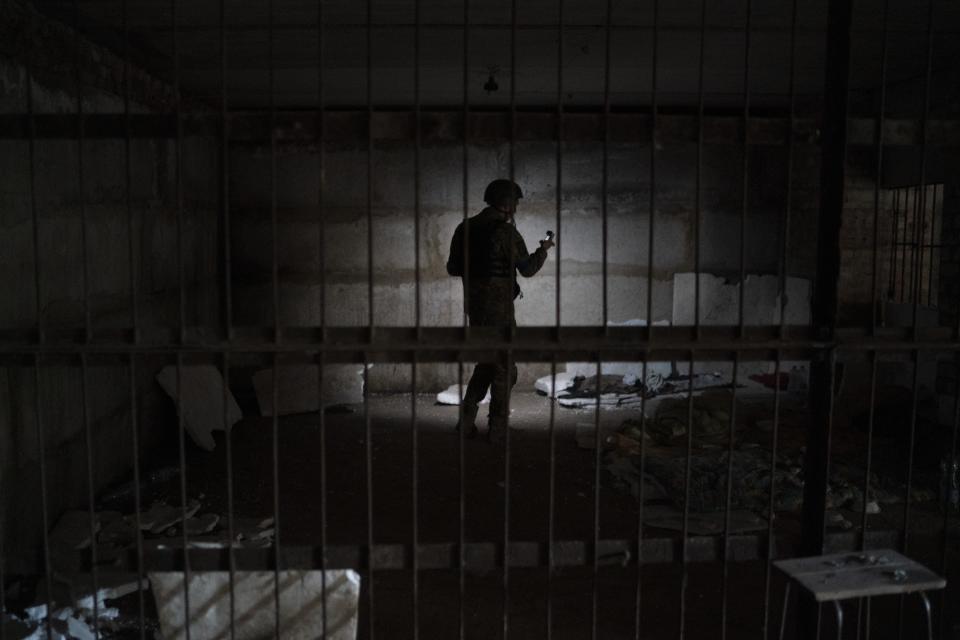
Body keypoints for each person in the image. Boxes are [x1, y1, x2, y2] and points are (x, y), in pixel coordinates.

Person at [446, 179, 555, 442]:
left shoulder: (464, 228)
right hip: (500, 313)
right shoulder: (506, 233)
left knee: (486, 363)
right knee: (505, 368)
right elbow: (527, 269)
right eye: (515, 203)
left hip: (476, 310)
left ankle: (465, 423)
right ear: (506, 204)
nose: (516, 208)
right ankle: (498, 428)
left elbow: (453, 268)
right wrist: (544, 250)